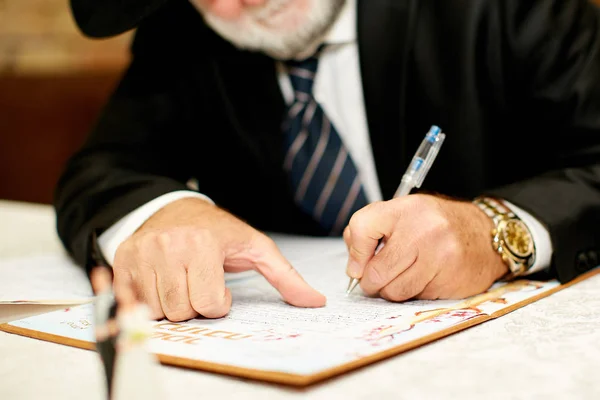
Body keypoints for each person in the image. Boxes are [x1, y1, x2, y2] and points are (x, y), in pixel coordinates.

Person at [56, 0, 600, 322]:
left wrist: (493, 230)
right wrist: (166, 211)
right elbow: (103, 166)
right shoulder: (182, 31)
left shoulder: (505, 9)